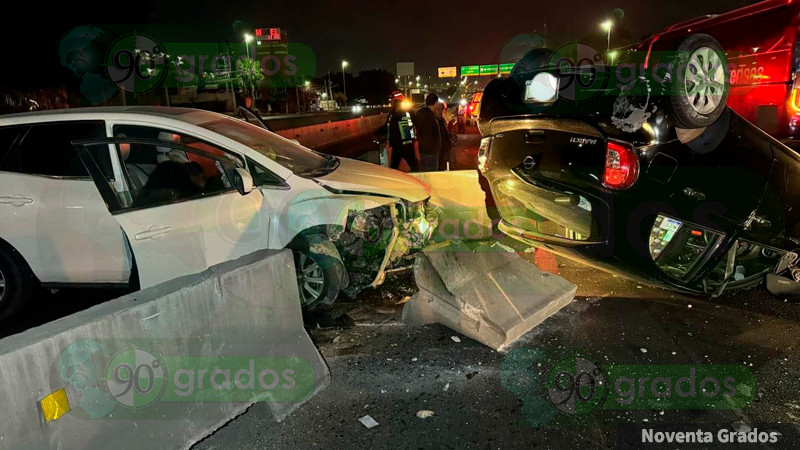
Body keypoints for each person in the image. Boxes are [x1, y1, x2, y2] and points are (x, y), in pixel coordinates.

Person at [386, 93, 420, 171]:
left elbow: (392, 129)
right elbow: (414, 124)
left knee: (394, 166)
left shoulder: (394, 114)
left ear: (396, 102)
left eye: (392, 101)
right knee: (414, 166)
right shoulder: (408, 112)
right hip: (407, 144)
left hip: (399, 145)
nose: (391, 103)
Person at [415, 93, 442, 171]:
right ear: (436, 103)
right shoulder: (430, 117)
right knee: (432, 174)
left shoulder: (419, 113)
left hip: (421, 150)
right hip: (431, 152)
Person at [435, 101, 454, 170]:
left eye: (441, 109)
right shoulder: (434, 121)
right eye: (438, 109)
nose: (440, 111)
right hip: (439, 150)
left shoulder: (442, 120)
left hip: (445, 148)